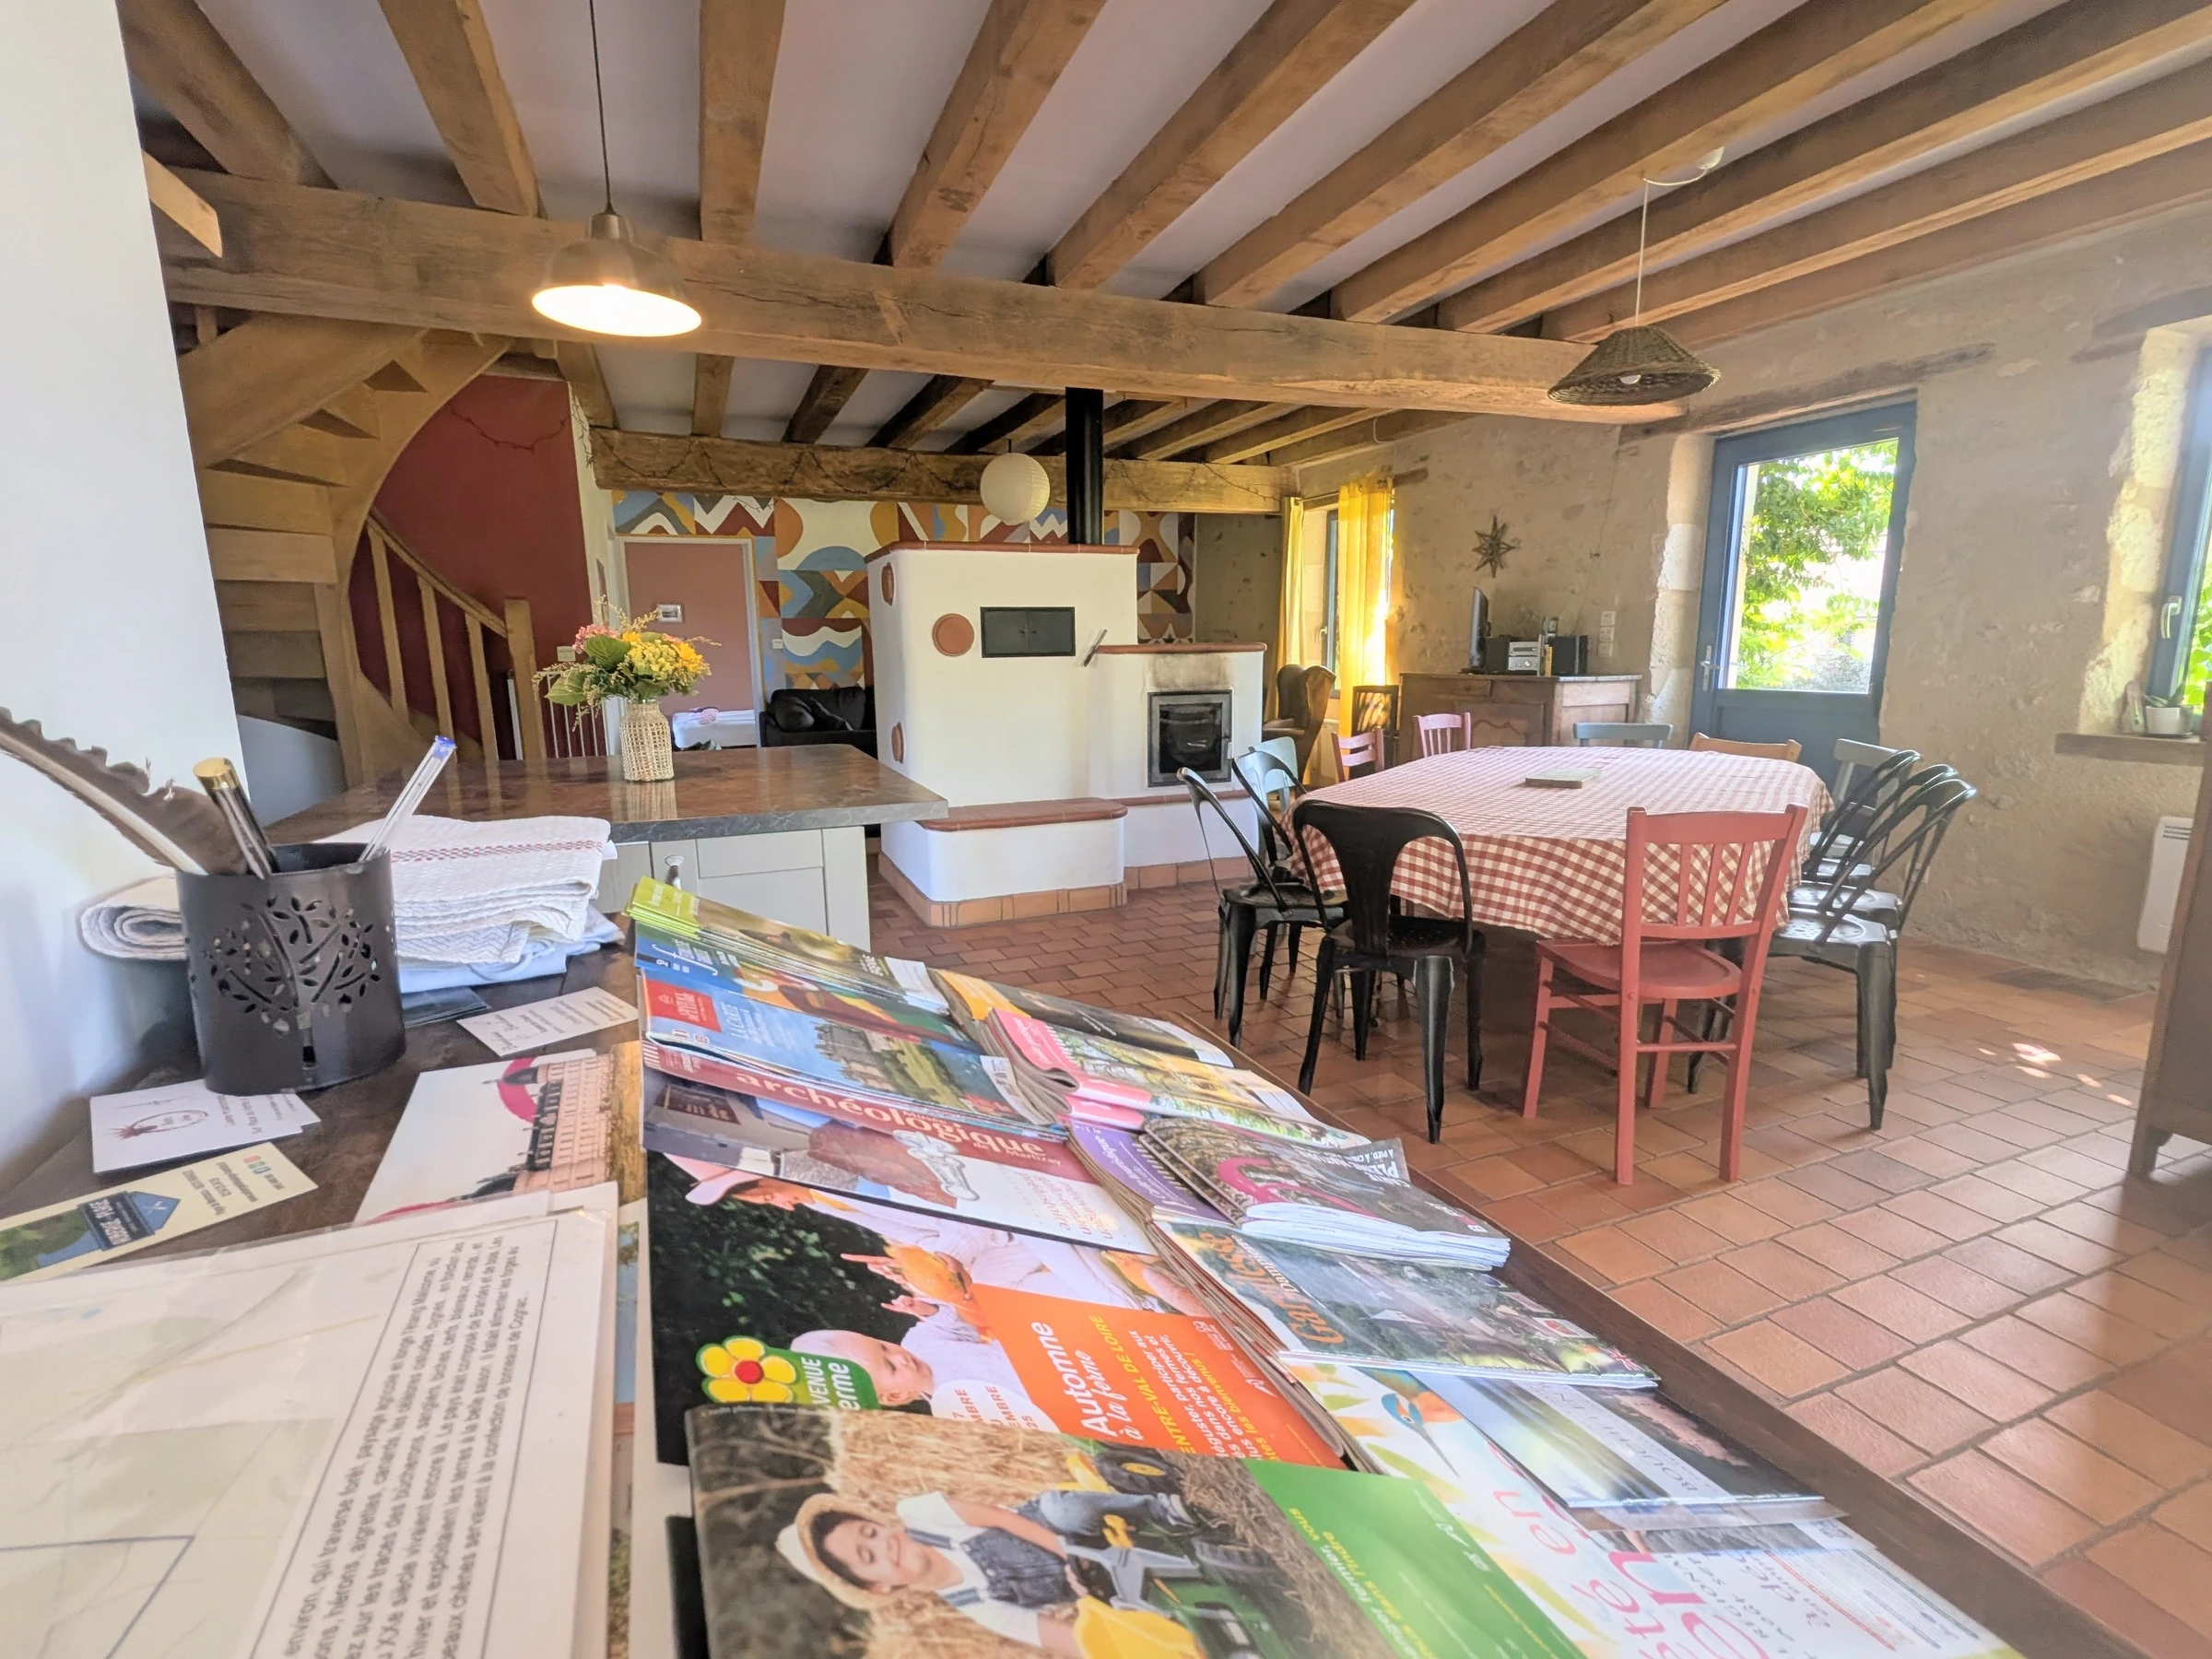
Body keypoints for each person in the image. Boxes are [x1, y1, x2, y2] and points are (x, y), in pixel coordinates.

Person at [780, 1489, 1197, 1654]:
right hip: (1094, 1582)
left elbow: (1003, 1520)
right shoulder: (976, 1605)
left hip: (1058, 1531)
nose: (882, 1545)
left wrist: (1068, 1554)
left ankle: (1157, 1509)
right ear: (879, 1586)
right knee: (1138, 1620)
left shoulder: (921, 1515)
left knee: (1065, 1508)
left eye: (870, 1532)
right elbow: (1063, 1638)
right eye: (869, 1557)